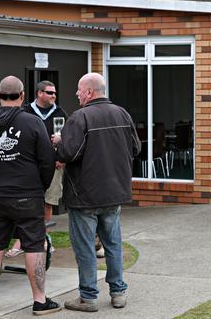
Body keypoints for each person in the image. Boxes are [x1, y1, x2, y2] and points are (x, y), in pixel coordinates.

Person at [0, 76, 60, 315]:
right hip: (27, 195)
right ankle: (40, 301)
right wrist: (39, 187)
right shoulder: (33, 123)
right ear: (22, 96)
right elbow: (47, 161)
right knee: (33, 246)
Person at [56, 73, 141, 312]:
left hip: (84, 196)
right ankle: (118, 293)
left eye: (79, 90)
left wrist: (58, 141)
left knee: (85, 248)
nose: (76, 94)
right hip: (115, 193)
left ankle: (88, 297)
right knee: (113, 245)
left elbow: (68, 154)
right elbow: (136, 148)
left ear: (90, 92)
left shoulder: (79, 117)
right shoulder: (122, 113)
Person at [4, 80, 69, 258]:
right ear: (39, 93)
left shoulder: (60, 113)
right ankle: (26, 240)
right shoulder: (25, 111)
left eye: (55, 93)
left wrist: (61, 156)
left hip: (53, 165)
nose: (53, 96)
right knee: (29, 202)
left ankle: (41, 239)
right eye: (49, 92)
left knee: (47, 202)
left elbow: (68, 138)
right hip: (28, 166)